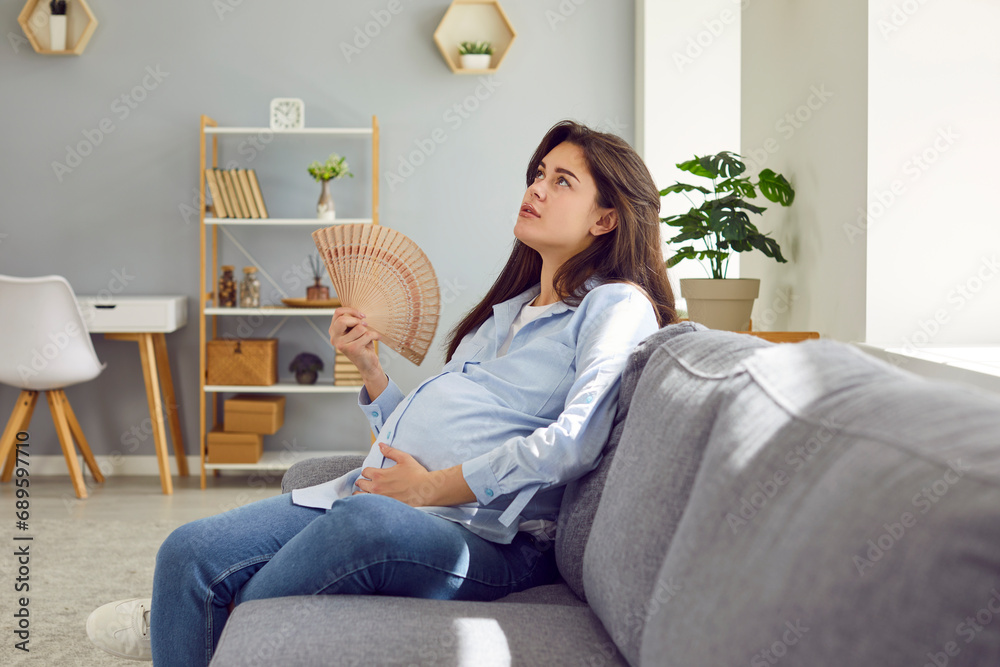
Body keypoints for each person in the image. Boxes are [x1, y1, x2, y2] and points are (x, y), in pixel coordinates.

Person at [86, 119, 676, 666]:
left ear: (606, 219)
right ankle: (191, 621)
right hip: (377, 495)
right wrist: (370, 368)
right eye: (538, 174)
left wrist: (427, 488)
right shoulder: (509, 312)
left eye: (562, 180)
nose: (538, 188)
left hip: (490, 539)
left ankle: (215, 624)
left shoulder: (614, 305)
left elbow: (571, 444)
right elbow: (419, 436)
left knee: (367, 521)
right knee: (186, 551)